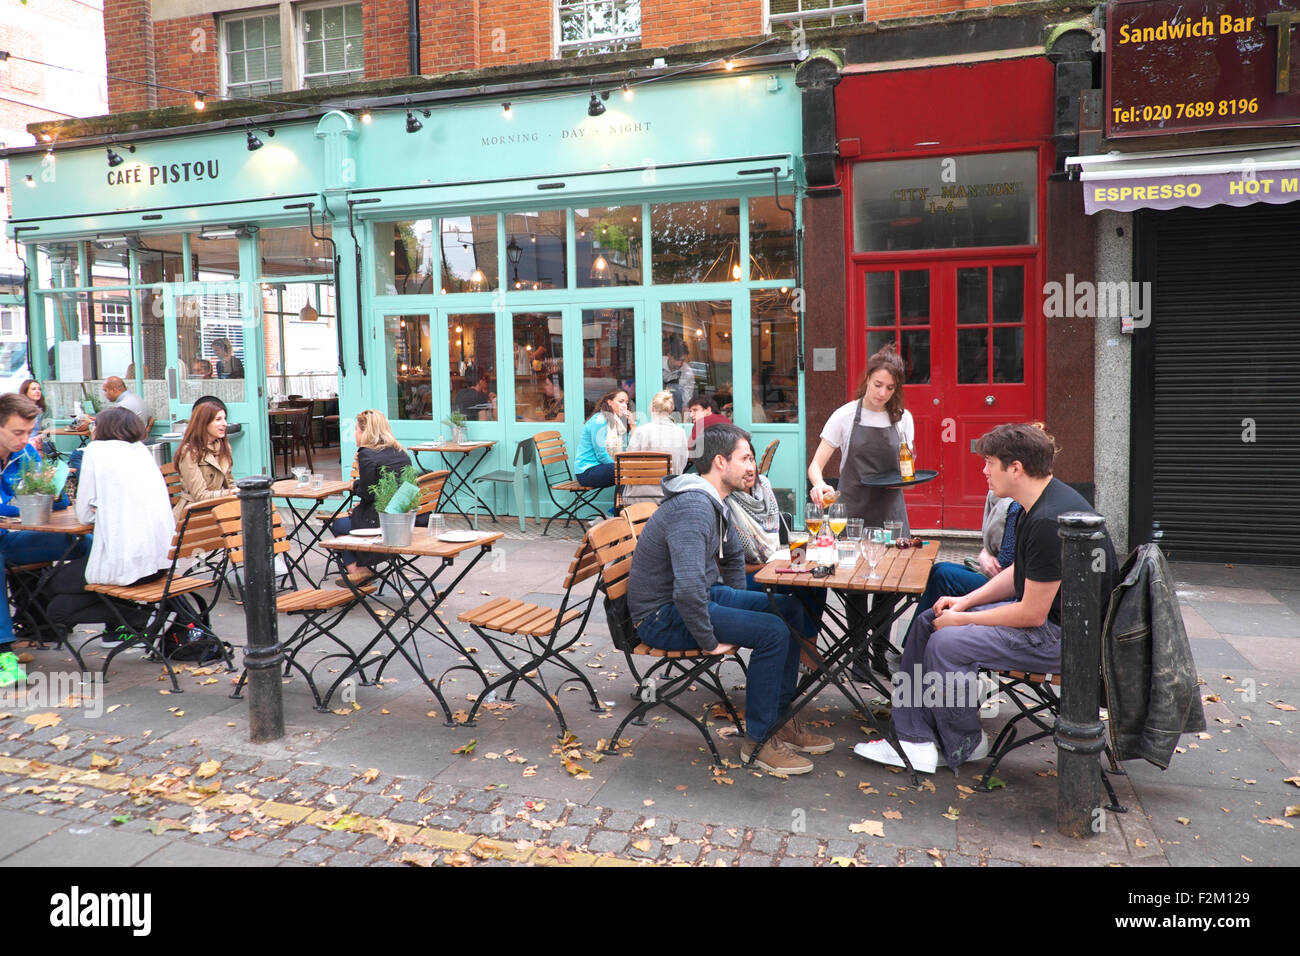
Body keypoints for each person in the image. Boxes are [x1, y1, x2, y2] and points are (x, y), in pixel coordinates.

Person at [854, 423, 1117, 774]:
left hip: (1067, 641)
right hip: (1052, 624)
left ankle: (964, 741)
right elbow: (1020, 574)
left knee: (947, 643)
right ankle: (914, 737)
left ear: (1016, 469)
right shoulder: (1034, 504)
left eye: (989, 462)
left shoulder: (1047, 520)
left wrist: (963, 619)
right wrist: (965, 601)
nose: (983, 470)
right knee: (927, 621)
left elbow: (1032, 614)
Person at [628, 424, 829, 775]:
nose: (752, 466)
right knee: (772, 632)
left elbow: (734, 557)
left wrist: (736, 599)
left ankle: (779, 719)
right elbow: (688, 590)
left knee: (791, 609)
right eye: (745, 458)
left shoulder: (713, 500)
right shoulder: (694, 507)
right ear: (720, 462)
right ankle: (759, 741)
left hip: (697, 599)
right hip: (662, 616)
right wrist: (709, 642)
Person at [807, 345, 914, 676]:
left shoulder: (904, 419)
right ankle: (858, 655)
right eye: (877, 384)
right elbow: (816, 466)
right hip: (851, 508)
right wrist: (820, 485)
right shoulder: (844, 415)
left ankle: (880, 651)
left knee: (890, 585)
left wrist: (907, 476)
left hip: (890, 509)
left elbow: (908, 466)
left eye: (890, 388)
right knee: (854, 586)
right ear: (867, 379)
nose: (882, 393)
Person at [45, 407, 174, 640]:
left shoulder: (96, 451)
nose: (92, 429)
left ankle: (138, 616)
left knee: (53, 589)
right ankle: (120, 628)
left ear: (103, 428)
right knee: (69, 591)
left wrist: (101, 510)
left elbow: (84, 515)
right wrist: (108, 509)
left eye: (94, 425)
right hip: (160, 563)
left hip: (128, 565)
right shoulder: (141, 452)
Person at [0, 394, 86, 687]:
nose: (25, 439)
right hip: (7, 539)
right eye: (17, 432)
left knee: (85, 543)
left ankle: (119, 622)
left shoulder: (26, 454)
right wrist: (23, 505)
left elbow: (47, 499)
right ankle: (3, 653)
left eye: (29, 432)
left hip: (14, 538)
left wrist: (57, 494)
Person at [330, 409, 413, 585]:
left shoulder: (367, 453)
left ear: (364, 432)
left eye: (356, 430)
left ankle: (358, 571)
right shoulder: (399, 451)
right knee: (349, 519)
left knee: (338, 525)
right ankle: (362, 570)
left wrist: (356, 485)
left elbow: (367, 493)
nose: (354, 433)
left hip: (381, 523)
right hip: (402, 521)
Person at [620, 390, 688, 506]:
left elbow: (628, 466)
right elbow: (681, 464)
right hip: (670, 493)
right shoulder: (680, 432)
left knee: (619, 487)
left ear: (652, 407)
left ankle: (622, 521)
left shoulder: (641, 431)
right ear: (671, 409)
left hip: (639, 496)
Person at [172, 400, 235, 520]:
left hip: (220, 508)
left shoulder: (224, 447)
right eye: (218, 419)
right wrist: (229, 494)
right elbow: (200, 496)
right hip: (194, 513)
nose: (225, 423)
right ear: (204, 423)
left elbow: (230, 483)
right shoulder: (189, 452)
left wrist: (236, 492)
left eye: (224, 418)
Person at [574, 388, 633, 489]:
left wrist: (632, 424)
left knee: (629, 468)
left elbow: (628, 447)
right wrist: (619, 465)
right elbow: (601, 454)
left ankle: (622, 504)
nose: (625, 406)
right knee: (626, 470)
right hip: (587, 471)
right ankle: (621, 505)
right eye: (621, 401)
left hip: (601, 467)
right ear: (609, 402)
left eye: (626, 402)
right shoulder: (599, 420)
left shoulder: (618, 422)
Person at [17, 381, 56, 457]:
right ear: (25, 392)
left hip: (40, 442)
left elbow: (49, 430)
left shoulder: (46, 409)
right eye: (33, 389)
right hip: (22, 442)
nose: (37, 391)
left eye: (39, 389)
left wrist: (38, 438)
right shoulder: (18, 409)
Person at [686, 394, 729, 459]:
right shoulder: (726, 420)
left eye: (695, 410)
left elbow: (690, 450)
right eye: (691, 411)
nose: (691, 415)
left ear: (708, 410)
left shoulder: (701, 422)